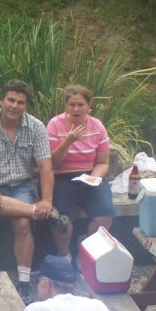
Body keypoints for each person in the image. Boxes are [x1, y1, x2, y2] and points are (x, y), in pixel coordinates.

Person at [0, 79, 69, 303]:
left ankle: (23, 282)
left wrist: (48, 200)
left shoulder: (35, 127)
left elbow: (45, 166)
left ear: (26, 105)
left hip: (20, 185)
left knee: (23, 224)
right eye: (10, 100)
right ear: (2, 100)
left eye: (20, 102)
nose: (14, 106)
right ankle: (35, 212)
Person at [46, 85, 115, 261]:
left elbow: (102, 162)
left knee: (104, 215)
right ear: (66, 106)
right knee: (62, 219)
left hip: (89, 174)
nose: (76, 109)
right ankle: (64, 256)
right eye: (72, 104)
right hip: (62, 175)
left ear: (88, 105)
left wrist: (95, 177)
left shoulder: (97, 126)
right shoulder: (55, 125)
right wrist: (68, 141)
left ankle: (86, 253)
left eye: (81, 105)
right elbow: (52, 162)